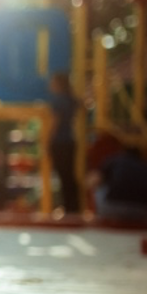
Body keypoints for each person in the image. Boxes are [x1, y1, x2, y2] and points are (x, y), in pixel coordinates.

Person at [47, 72, 81, 213]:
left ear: (58, 84)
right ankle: (74, 206)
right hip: (70, 140)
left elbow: (55, 122)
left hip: (60, 142)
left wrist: (48, 139)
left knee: (62, 174)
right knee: (70, 174)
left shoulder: (58, 101)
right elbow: (84, 105)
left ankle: (69, 207)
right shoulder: (71, 99)